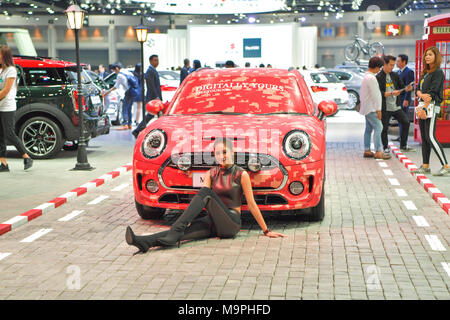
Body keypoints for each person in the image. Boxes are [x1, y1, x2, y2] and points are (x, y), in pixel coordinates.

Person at [125, 137, 286, 254]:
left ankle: (176, 228)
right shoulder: (211, 173)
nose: (222, 156)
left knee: (205, 193)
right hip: (213, 222)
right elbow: (201, 203)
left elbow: (251, 204)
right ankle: (144, 242)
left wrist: (266, 230)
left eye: (225, 152)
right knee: (181, 234)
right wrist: (191, 220)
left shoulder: (241, 174)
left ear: (232, 152)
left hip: (230, 224)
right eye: (218, 153)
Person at [413, 46, 450, 176]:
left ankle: (446, 165)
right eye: (426, 55)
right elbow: (417, 89)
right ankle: (425, 166)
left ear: (436, 57)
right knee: (424, 138)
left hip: (431, 107)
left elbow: (432, 93)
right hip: (423, 105)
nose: (427, 57)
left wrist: (424, 105)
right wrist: (421, 96)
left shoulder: (438, 72)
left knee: (430, 136)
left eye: (430, 54)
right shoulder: (425, 73)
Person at [0, 45, 33, 172]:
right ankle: (3, 164)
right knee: (0, 136)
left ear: (5, 56)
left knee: (9, 133)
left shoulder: (11, 70)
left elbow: (6, 90)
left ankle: (26, 156)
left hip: (8, 106)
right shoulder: (0, 70)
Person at [376, 55, 414, 153]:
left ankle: (403, 145)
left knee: (406, 122)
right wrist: (391, 93)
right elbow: (378, 93)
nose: (392, 67)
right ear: (384, 64)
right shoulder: (378, 77)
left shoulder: (395, 75)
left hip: (396, 106)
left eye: (393, 65)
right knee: (384, 128)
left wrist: (408, 88)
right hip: (385, 107)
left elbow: (402, 86)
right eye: (391, 65)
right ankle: (385, 147)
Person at [359, 56, 391, 160]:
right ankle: (378, 151)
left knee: (368, 129)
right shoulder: (372, 78)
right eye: (380, 67)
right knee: (379, 127)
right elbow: (376, 95)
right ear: (377, 67)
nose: (380, 70)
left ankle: (367, 150)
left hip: (366, 107)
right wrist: (379, 109)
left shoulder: (366, 76)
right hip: (372, 108)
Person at [132, 55, 161, 138]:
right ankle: (138, 130)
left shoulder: (153, 70)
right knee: (150, 116)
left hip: (154, 97)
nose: (157, 62)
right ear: (150, 61)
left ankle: (138, 130)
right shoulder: (150, 71)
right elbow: (151, 86)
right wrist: (156, 97)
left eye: (157, 60)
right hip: (153, 98)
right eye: (155, 60)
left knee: (151, 115)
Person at [103, 62, 136, 130]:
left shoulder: (120, 75)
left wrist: (107, 92)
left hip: (128, 92)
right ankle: (129, 124)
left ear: (117, 68)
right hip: (133, 91)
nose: (114, 72)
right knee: (129, 108)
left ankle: (125, 124)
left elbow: (116, 86)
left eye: (114, 70)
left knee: (124, 108)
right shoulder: (127, 71)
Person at [394, 54, 415, 142]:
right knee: (399, 118)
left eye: (398, 61)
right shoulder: (398, 72)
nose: (396, 63)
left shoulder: (409, 72)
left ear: (404, 62)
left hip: (404, 99)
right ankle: (400, 136)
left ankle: (403, 138)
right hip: (398, 98)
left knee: (403, 119)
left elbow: (409, 86)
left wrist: (406, 99)